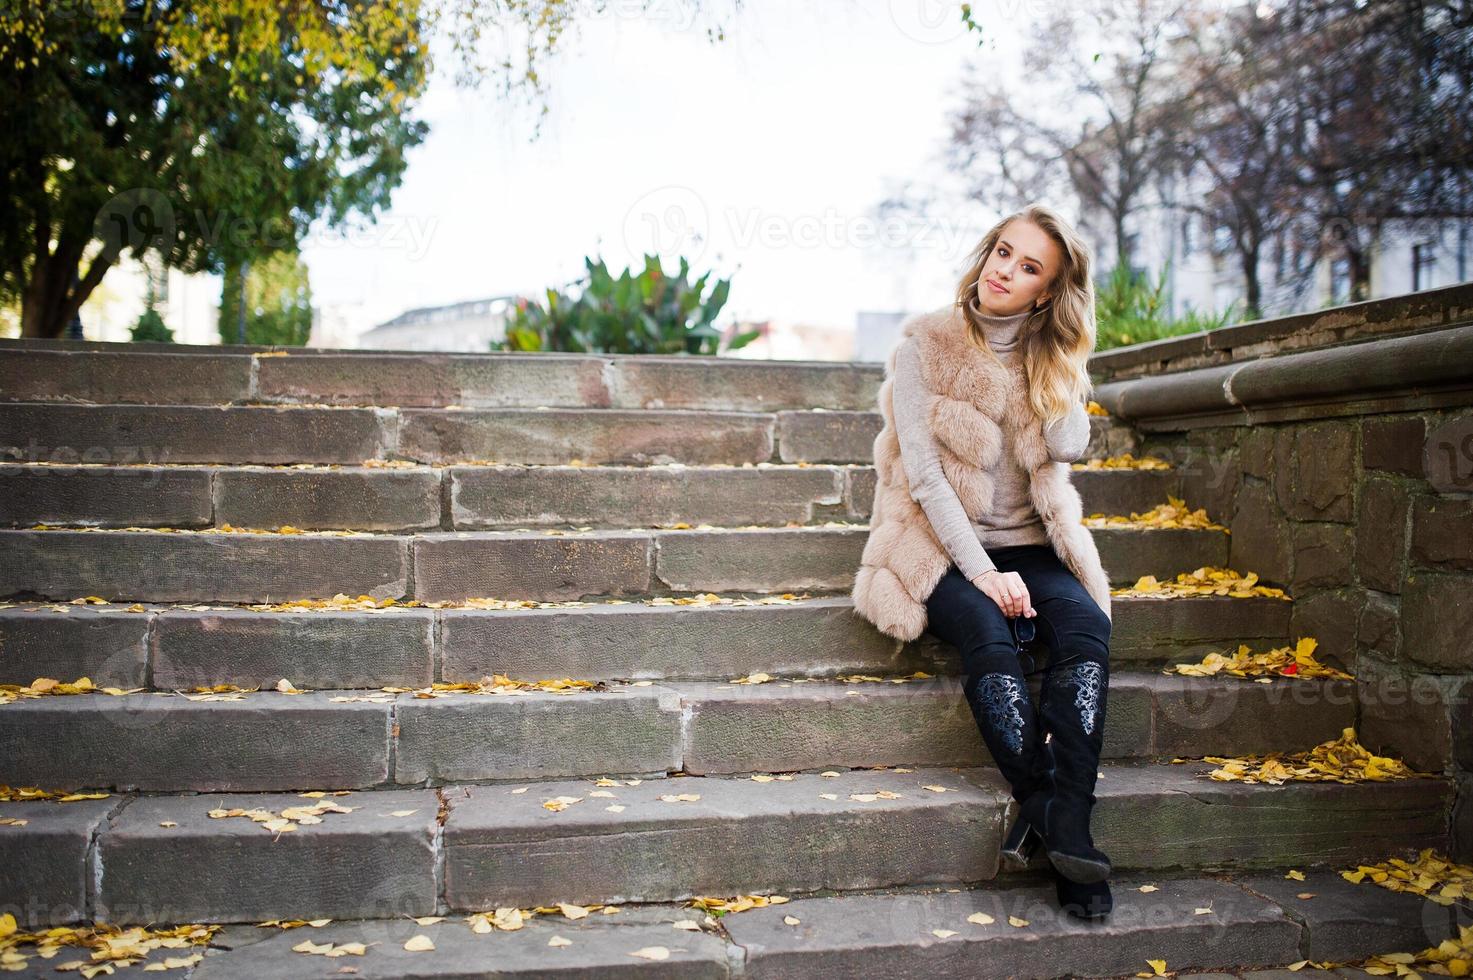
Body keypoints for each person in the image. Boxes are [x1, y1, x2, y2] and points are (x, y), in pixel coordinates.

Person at [851, 203, 1114, 921]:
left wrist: (1063, 360)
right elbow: (930, 482)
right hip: (938, 547)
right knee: (988, 636)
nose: (1006, 270)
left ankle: (1065, 822)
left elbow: (1067, 448)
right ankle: (1056, 819)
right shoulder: (921, 348)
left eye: (1029, 267)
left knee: (1087, 632)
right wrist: (984, 574)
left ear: (1047, 291)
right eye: (1004, 252)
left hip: (1032, 544)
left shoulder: (1047, 352)